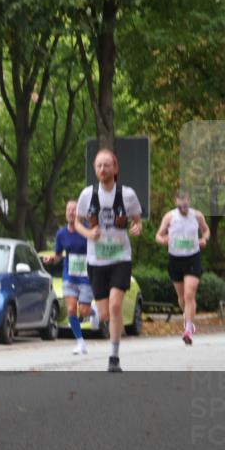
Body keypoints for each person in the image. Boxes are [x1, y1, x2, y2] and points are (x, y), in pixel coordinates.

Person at [74, 149, 142, 373]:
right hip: (96, 261)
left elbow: (137, 220)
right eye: (98, 166)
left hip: (120, 257)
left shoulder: (128, 194)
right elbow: (77, 223)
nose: (102, 169)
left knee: (115, 306)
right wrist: (87, 233)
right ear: (95, 170)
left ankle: (114, 358)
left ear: (115, 168)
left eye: (106, 165)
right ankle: (112, 325)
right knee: (104, 314)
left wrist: (136, 227)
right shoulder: (87, 195)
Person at [155, 190, 210, 345]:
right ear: (176, 203)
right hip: (175, 259)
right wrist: (163, 240)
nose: (183, 209)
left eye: (185, 205)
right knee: (182, 298)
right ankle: (189, 317)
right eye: (180, 206)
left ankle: (187, 329)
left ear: (189, 202)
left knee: (189, 294)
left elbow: (206, 230)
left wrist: (204, 239)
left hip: (193, 258)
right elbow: (158, 236)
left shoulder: (197, 216)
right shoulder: (170, 217)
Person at [43, 201, 97, 355]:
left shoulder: (88, 230)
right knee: (72, 309)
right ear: (66, 213)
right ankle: (80, 343)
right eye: (69, 210)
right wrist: (51, 258)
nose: (71, 212)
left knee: (84, 310)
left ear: (80, 213)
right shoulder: (61, 234)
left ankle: (93, 313)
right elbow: (59, 255)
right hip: (69, 276)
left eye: (74, 210)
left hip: (86, 276)